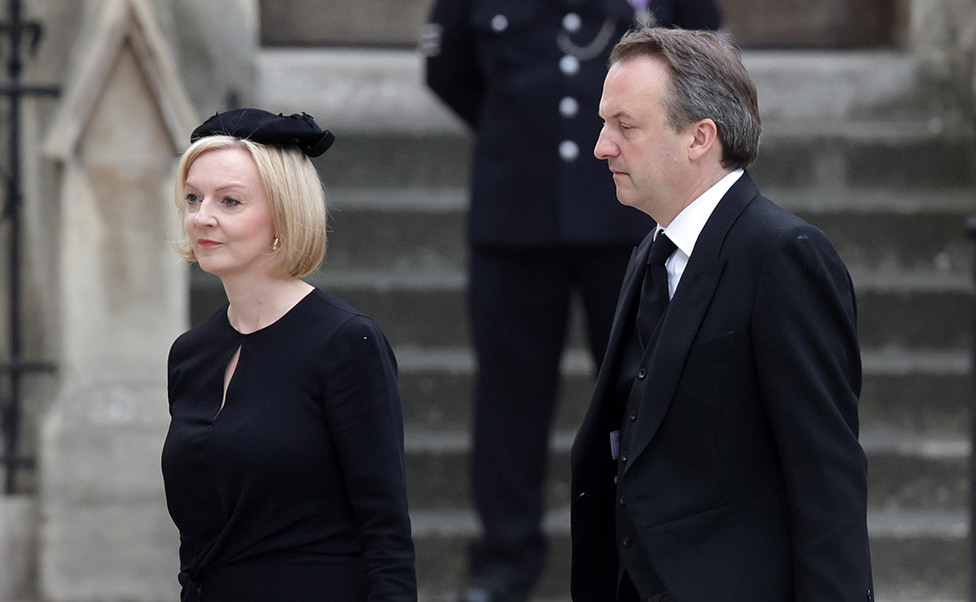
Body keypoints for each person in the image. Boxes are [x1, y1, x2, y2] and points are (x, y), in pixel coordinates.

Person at [422, 2, 721, 601]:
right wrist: (518, 127)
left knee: (645, 396)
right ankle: (504, 564)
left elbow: (709, 70)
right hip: (515, 214)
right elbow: (447, 69)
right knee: (510, 400)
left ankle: (646, 556)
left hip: (627, 220)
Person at [570, 27, 873, 601]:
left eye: (625, 126)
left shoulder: (784, 255)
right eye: (603, 124)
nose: (601, 146)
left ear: (699, 138)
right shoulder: (649, 253)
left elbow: (826, 472)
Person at [161, 109, 417, 602]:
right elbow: (195, 542)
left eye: (229, 201)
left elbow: (386, 532)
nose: (201, 217)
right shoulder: (190, 354)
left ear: (283, 214)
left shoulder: (347, 343)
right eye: (193, 198)